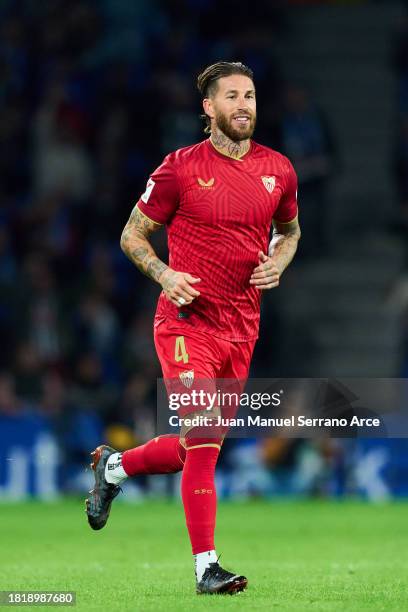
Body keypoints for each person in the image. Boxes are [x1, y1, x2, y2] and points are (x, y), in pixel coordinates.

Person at [85, 61, 301, 595]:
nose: (244, 104)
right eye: (231, 96)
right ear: (209, 108)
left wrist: (280, 260)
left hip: (241, 328)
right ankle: (207, 568)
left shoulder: (279, 169)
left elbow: (290, 231)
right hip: (186, 324)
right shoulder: (180, 168)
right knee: (204, 437)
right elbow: (132, 236)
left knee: (193, 449)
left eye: (249, 94)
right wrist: (164, 271)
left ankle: (113, 470)